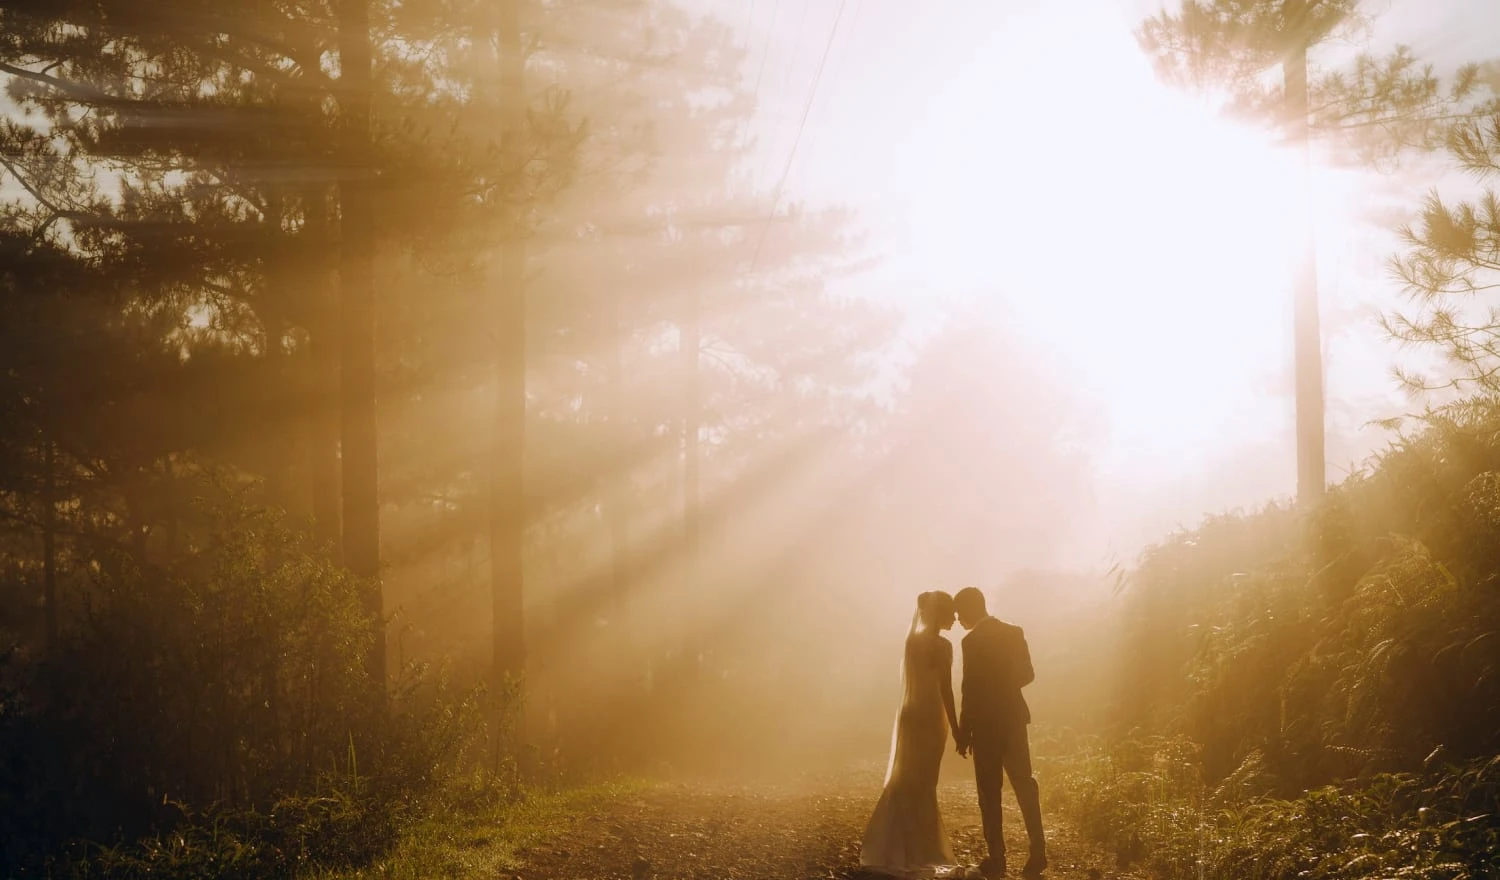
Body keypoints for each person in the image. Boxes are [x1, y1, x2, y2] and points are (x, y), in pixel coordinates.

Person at [859, 591, 961, 877]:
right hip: (930, 717)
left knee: (905, 780)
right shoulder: (942, 646)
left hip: (909, 715)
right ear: (938, 613)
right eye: (950, 612)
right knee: (924, 783)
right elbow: (946, 689)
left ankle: (896, 845)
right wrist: (956, 727)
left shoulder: (912, 642)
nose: (954, 617)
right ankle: (921, 849)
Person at [953, 586, 1046, 878]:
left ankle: (998, 858)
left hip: (985, 725)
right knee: (1025, 785)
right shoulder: (1013, 632)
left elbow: (969, 688)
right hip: (1013, 720)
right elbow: (1028, 674)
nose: (957, 620)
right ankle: (1038, 852)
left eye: (958, 614)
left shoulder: (971, 642)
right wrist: (1004, 686)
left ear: (970, 609)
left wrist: (964, 730)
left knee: (989, 792)